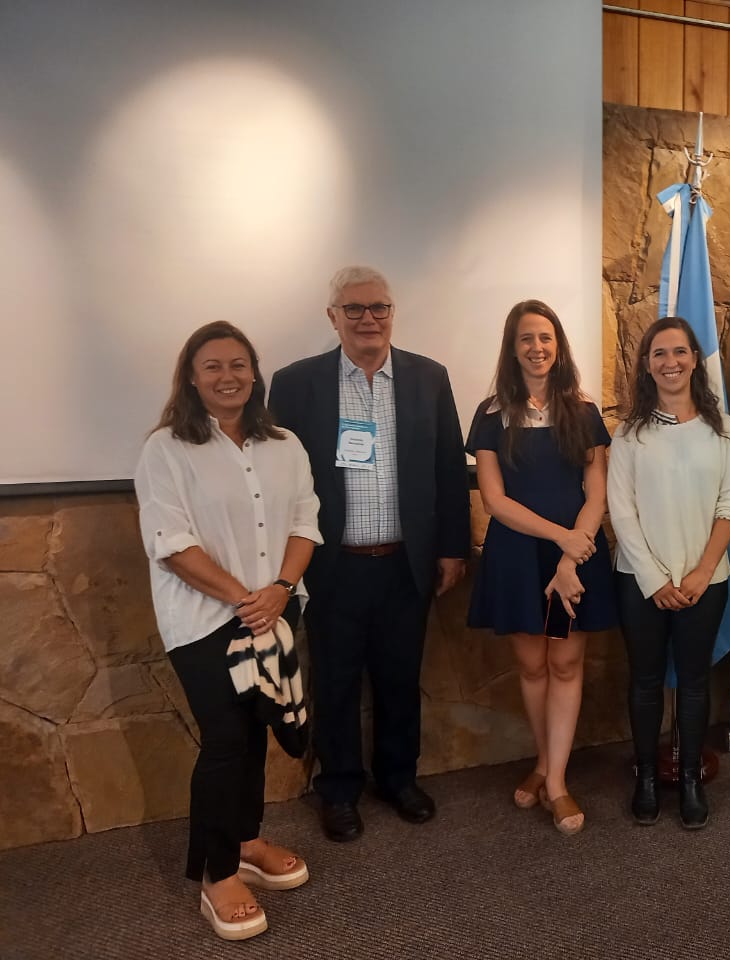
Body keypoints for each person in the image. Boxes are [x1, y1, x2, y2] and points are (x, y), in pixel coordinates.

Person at [268, 265, 470, 842]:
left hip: (406, 563)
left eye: (378, 307)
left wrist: (452, 548)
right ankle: (338, 790)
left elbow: (447, 472)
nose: (368, 319)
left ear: (392, 313)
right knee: (333, 682)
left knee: (400, 679)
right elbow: (278, 478)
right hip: (332, 566)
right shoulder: (296, 383)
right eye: (353, 309)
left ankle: (398, 779)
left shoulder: (428, 378)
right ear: (332, 317)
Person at [136, 321, 321, 941]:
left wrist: (281, 591)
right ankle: (216, 875)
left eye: (238, 364)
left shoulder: (284, 444)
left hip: (276, 608)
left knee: (254, 736)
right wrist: (247, 599)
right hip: (205, 620)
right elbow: (172, 545)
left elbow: (305, 522)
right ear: (191, 376)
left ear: (254, 372)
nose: (227, 376)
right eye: (212, 366)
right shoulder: (165, 449)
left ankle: (244, 842)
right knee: (223, 740)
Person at [466, 299, 615, 835]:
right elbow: (495, 501)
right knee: (532, 667)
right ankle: (544, 762)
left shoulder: (584, 412)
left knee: (566, 666)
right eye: (527, 338)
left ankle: (555, 782)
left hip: (576, 562)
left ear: (559, 345)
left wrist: (573, 557)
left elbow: (597, 493)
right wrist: (562, 543)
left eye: (546, 337)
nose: (538, 348)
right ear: (513, 348)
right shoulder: (490, 415)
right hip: (519, 560)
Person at [608, 316, 730, 829]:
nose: (671, 362)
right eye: (659, 353)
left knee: (693, 682)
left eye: (680, 352)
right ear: (647, 365)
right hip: (639, 581)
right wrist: (656, 582)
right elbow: (620, 511)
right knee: (645, 681)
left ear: (695, 360)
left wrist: (701, 571)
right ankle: (646, 777)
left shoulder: (723, 430)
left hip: (704, 581)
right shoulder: (629, 434)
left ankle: (689, 778)